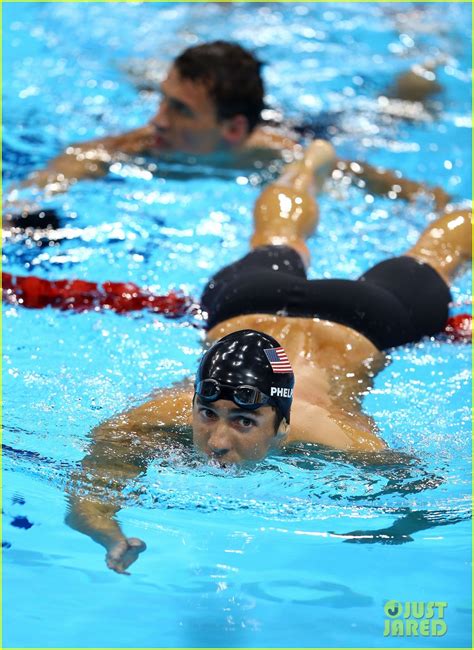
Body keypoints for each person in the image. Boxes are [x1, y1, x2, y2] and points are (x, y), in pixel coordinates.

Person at [65, 139, 471, 574]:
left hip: (363, 322)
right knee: (282, 237)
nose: (217, 443)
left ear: (283, 424)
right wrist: (107, 533)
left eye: (243, 421)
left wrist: (394, 530)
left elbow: (431, 496)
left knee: (430, 257)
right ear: (195, 402)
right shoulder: (157, 416)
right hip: (252, 303)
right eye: (208, 414)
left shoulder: (340, 438)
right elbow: (90, 490)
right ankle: (308, 165)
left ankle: (307, 166)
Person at [4, 41, 450, 227]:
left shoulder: (283, 158)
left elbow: (411, 193)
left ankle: (425, 54)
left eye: (178, 110)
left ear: (234, 130)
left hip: (309, 124)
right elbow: (70, 165)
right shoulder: (140, 146)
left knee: (399, 115)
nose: (157, 121)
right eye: (162, 101)